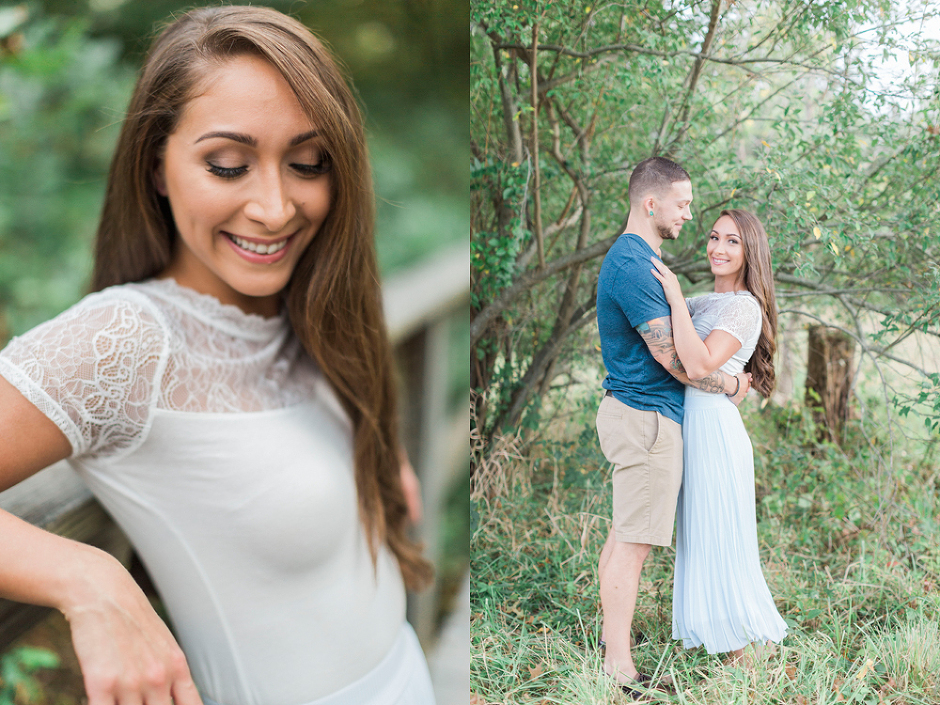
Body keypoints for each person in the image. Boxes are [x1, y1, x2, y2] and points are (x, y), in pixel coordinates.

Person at [0, 6, 436, 705]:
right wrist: (86, 579)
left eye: (308, 163)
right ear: (157, 168)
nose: (274, 206)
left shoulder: (302, 312)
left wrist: (363, 451)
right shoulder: (125, 338)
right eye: (228, 164)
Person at [594, 157, 750, 696]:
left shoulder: (641, 260)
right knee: (634, 544)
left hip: (640, 415)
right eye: (683, 204)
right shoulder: (635, 266)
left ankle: (611, 644)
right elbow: (676, 362)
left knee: (623, 535)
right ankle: (618, 667)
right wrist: (731, 386)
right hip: (647, 419)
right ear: (651, 202)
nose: (689, 214)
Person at [650, 208, 788, 662]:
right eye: (713, 237)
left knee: (722, 535)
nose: (718, 248)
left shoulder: (745, 307)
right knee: (701, 533)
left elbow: (700, 364)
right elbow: (665, 349)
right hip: (692, 425)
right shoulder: (702, 302)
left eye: (732, 241)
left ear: (750, 252)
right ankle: (722, 637)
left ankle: (744, 649)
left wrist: (672, 294)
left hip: (716, 431)